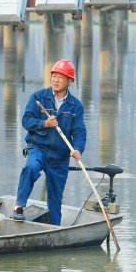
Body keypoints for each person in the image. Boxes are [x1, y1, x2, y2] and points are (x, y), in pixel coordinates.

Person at [13, 59, 86, 226]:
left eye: (61, 77)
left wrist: (77, 149)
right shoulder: (39, 97)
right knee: (31, 167)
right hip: (38, 147)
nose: (56, 80)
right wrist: (44, 124)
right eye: (54, 75)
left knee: (55, 201)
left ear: (70, 81)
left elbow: (80, 132)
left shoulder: (76, 106)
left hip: (60, 158)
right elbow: (26, 121)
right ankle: (18, 207)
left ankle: (54, 229)